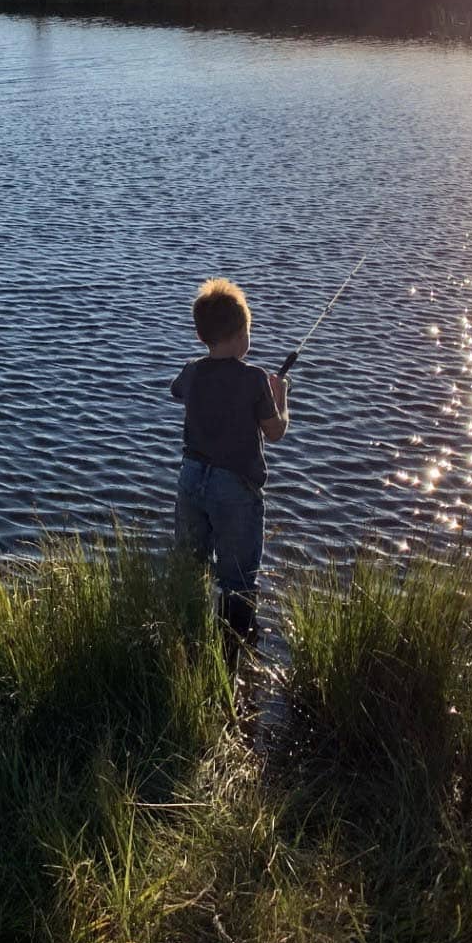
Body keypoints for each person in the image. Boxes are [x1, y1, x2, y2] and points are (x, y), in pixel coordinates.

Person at [169, 277, 288, 664]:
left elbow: (177, 391)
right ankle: (232, 656)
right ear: (240, 337)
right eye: (248, 333)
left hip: (191, 479)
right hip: (234, 489)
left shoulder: (191, 371)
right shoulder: (255, 378)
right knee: (237, 579)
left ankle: (188, 641)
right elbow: (275, 433)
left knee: (192, 566)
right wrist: (280, 396)